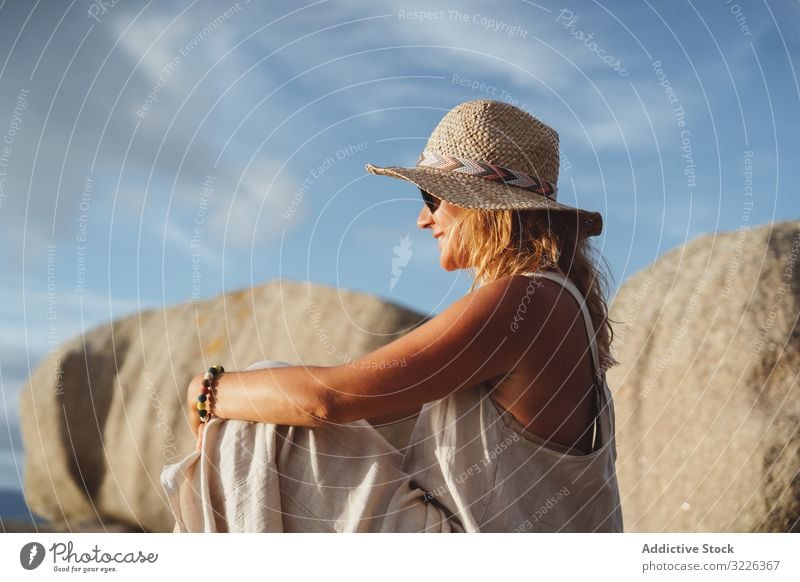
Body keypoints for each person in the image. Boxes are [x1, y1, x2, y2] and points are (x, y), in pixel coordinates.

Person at [161, 99, 624, 533]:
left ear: (483, 205)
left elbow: (331, 399)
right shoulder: (547, 299)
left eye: (430, 197)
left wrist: (205, 390)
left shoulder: (526, 300)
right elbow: (360, 401)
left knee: (262, 409)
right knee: (269, 399)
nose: (424, 220)